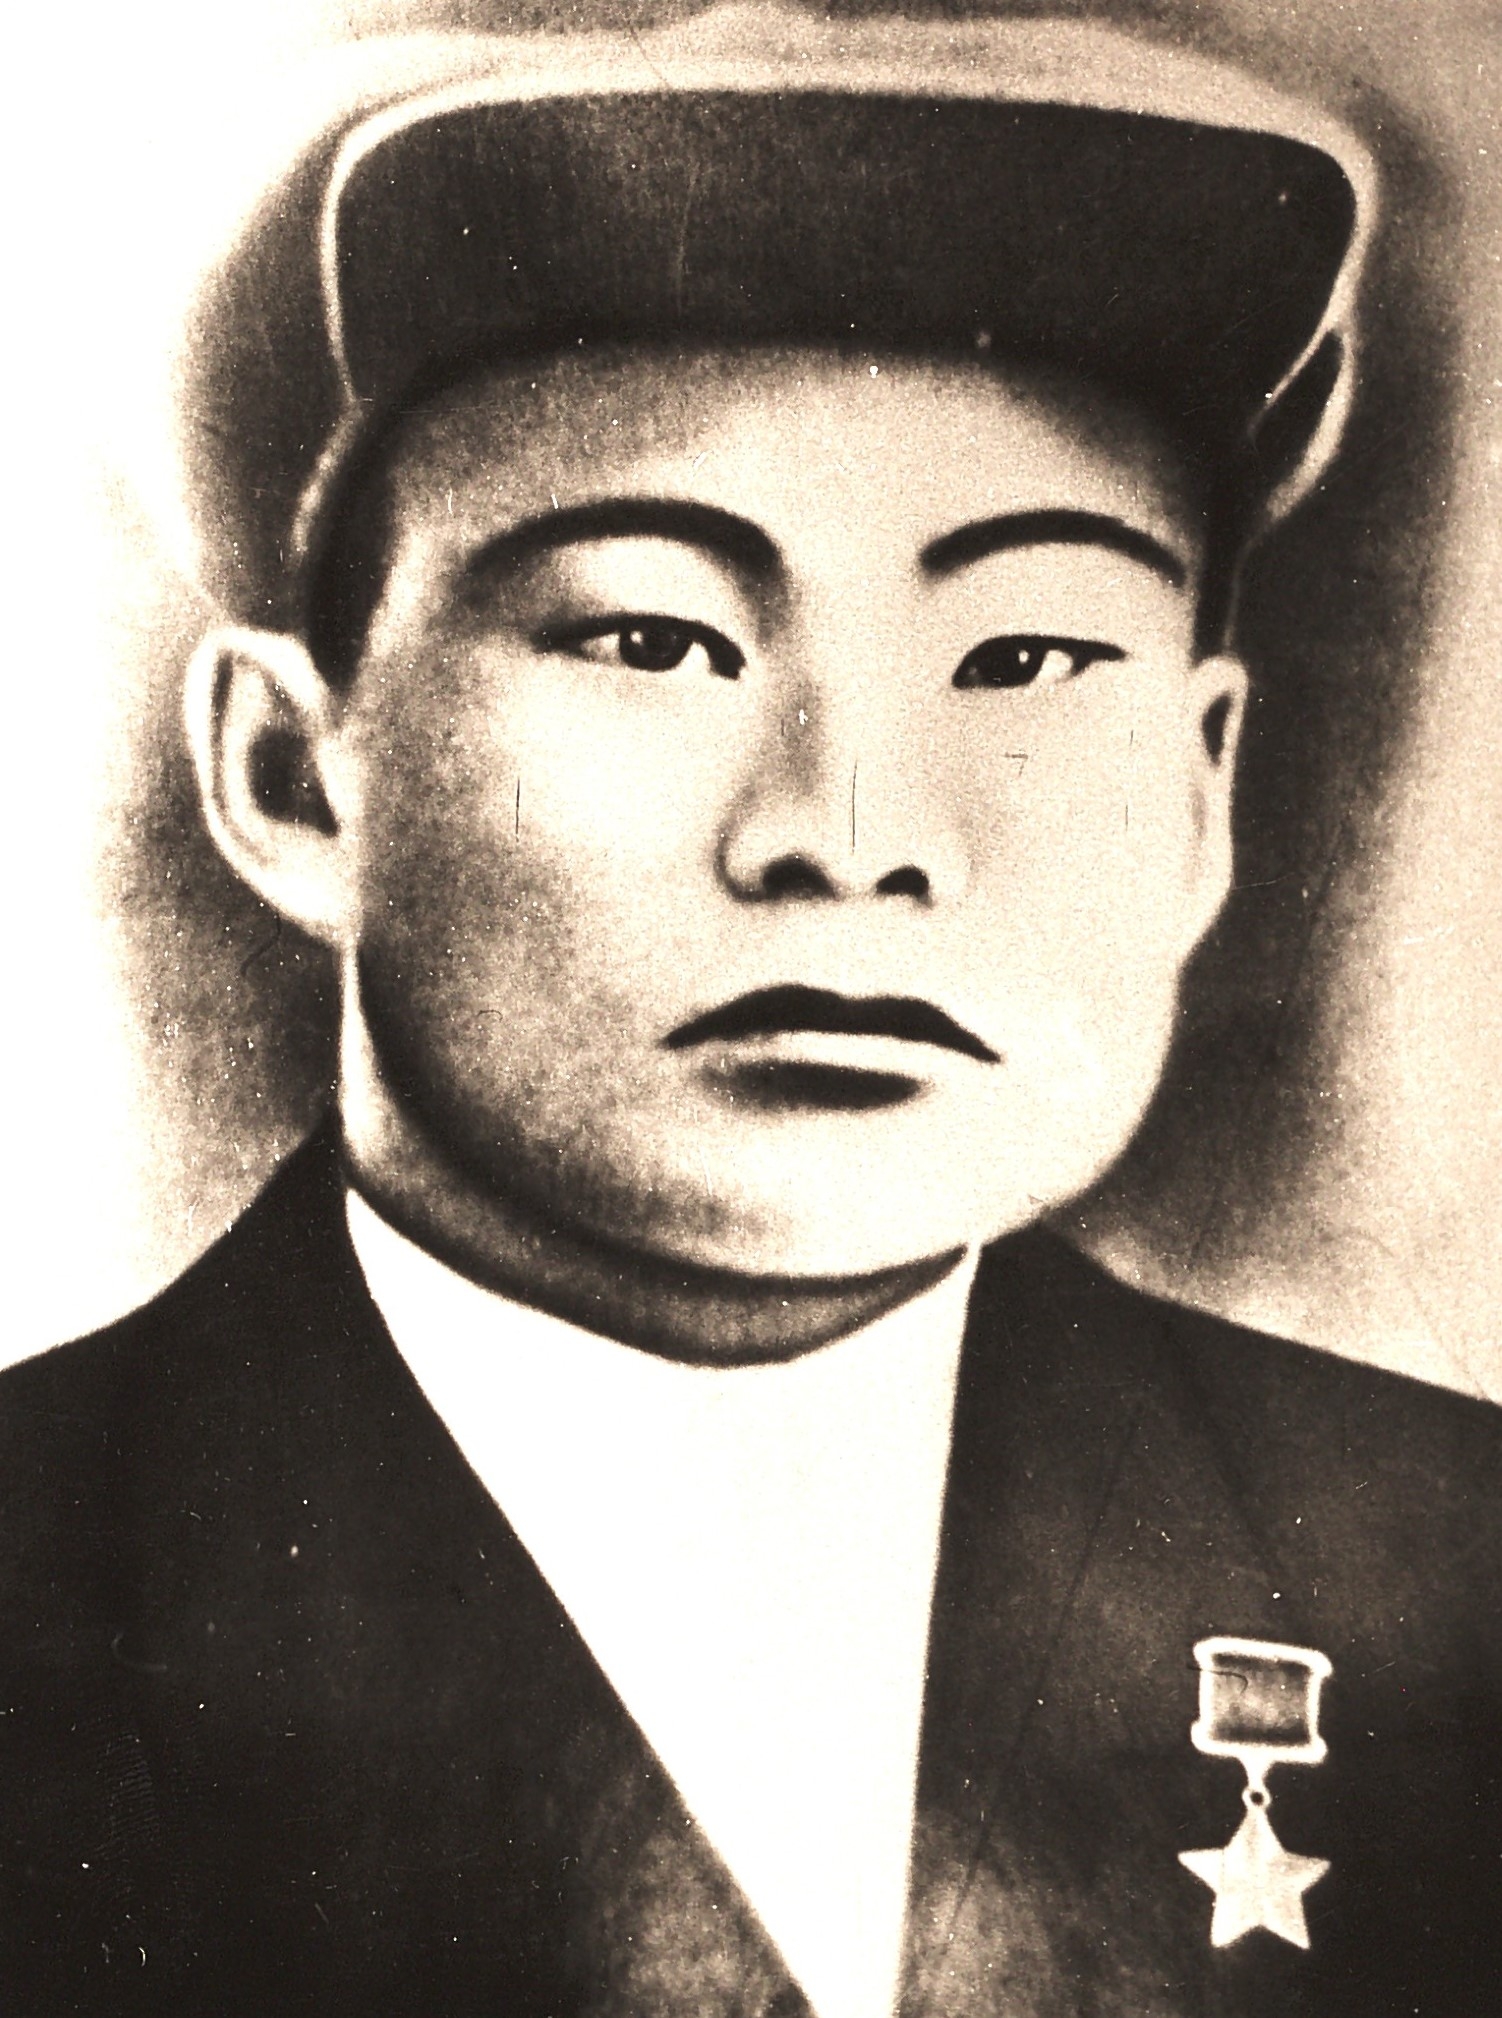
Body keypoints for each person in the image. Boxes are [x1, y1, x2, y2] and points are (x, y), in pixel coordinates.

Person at [2, 8, 1497, 2015]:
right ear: (291, 771)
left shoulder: (1451, 1571)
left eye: (1029, 653)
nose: (851, 837)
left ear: (1202, 794)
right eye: (651, 634)